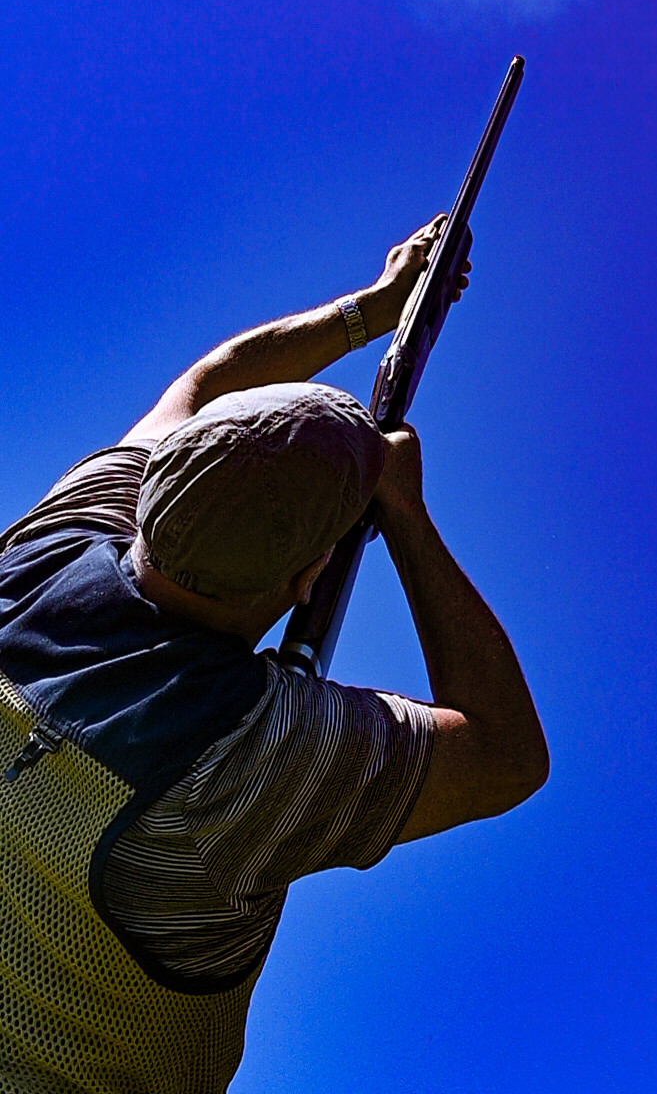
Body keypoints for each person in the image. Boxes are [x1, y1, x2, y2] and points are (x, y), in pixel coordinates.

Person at [0, 218, 548, 1094]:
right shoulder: (247, 759)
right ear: (308, 577)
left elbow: (205, 383)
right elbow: (507, 754)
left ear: (155, 482)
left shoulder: (43, 554)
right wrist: (407, 518)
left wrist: (374, 307)